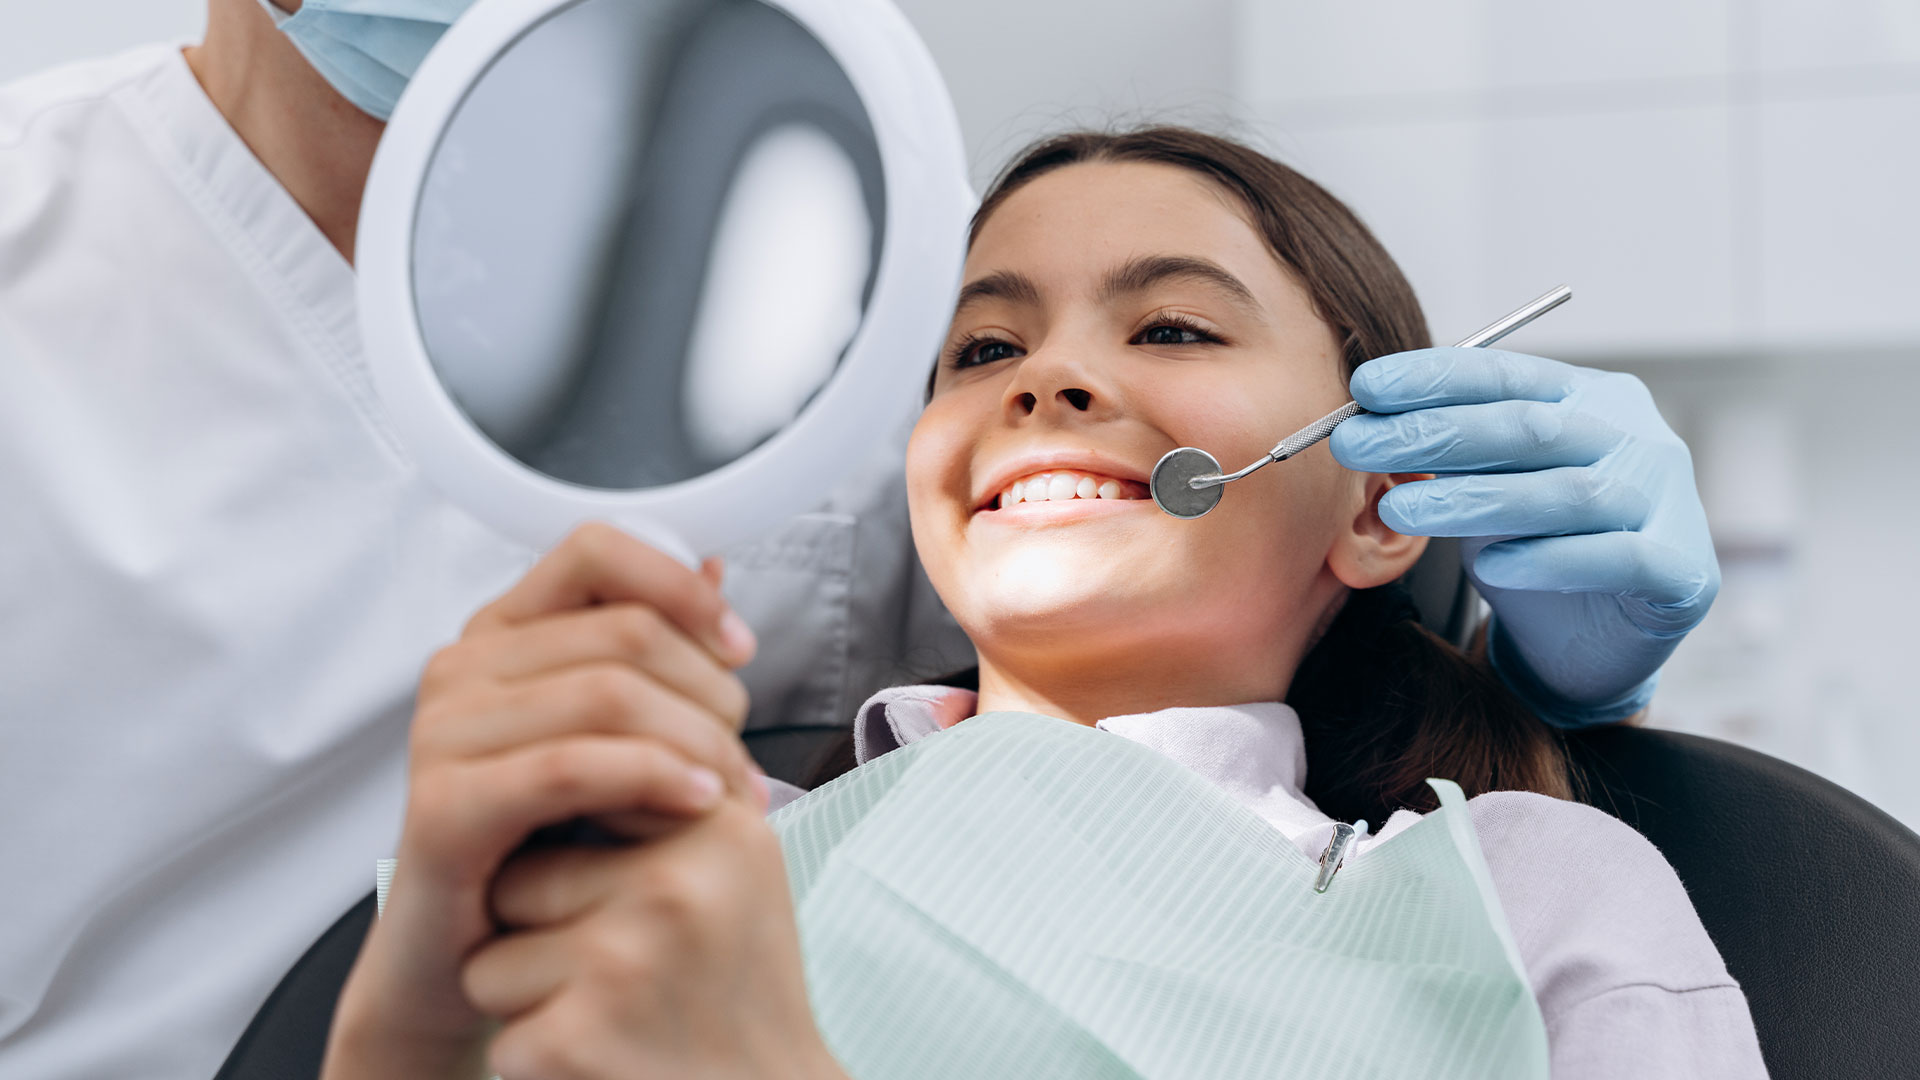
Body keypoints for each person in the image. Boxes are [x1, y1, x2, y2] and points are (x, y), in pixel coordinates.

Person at [0, 3, 1718, 1077]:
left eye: (1173, 332)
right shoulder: (696, 856)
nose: (1050, 380)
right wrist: (419, 1010)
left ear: (1376, 495)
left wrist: (1577, 679)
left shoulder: (1519, 897)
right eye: (982, 351)